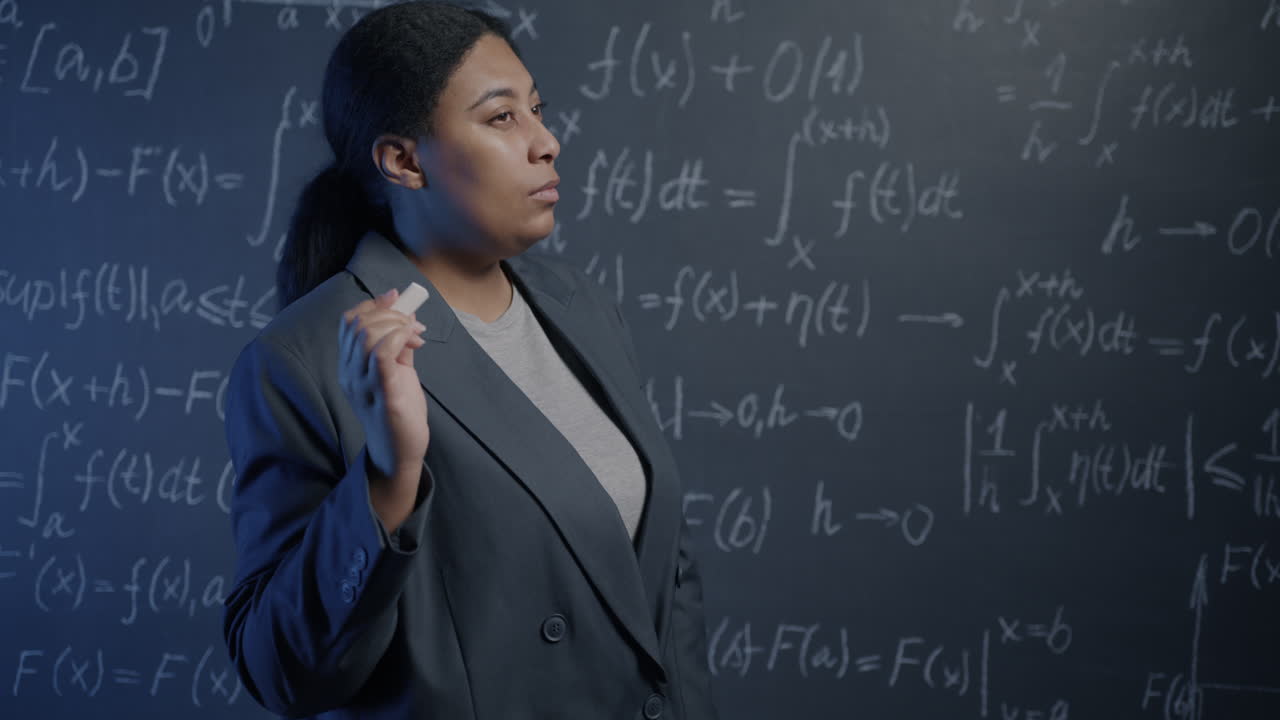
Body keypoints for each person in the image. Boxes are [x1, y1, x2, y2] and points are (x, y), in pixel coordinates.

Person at [220, 2, 720, 719]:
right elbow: (281, 671)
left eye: (537, 110)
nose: (547, 142)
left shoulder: (580, 305)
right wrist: (387, 478)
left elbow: (668, 588)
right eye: (501, 117)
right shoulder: (303, 359)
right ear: (403, 161)